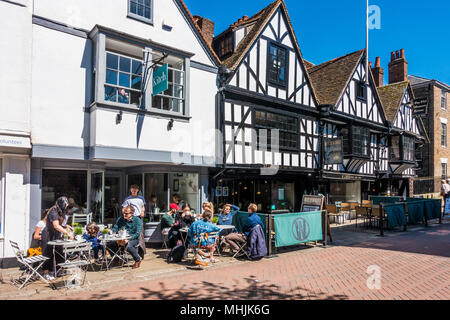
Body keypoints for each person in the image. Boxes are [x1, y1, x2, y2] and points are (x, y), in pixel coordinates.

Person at [41, 196, 74, 280]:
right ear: (61, 204)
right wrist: (67, 233)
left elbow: (59, 223)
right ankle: (46, 272)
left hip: (56, 234)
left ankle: (58, 269)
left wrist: (66, 226)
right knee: (48, 253)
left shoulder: (60, 211)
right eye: (65, 204)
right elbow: (55, 225)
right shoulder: (53, 211)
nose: (66, 206)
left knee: (59, 251)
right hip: (48, 234)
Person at [122, 184, 146, 257]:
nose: (134, 190)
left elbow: (143, 207)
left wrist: (142, 212)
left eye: (135, 189)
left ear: (138, 190)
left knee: (140, 234)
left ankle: (141, 252)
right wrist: (125, 214)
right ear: (130, 190)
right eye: (133, 189)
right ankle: (131, 250)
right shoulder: (128, 199)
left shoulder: (141, 198)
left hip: (138, 218)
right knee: (130, 233)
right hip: (131, 218)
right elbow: (123, 208)